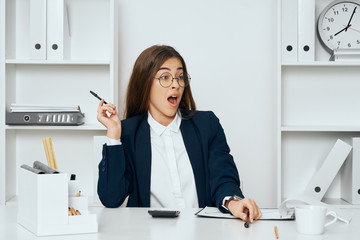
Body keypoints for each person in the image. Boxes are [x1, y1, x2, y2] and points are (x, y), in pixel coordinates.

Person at [97, 45, 262, 222]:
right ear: (145, 83)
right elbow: (111, 198)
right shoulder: (129, 132)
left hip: (203, 232)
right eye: (165, 77)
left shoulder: (207, 125)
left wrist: (233, 202)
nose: (176, 84)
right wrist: (114, 134)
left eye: (180, 77)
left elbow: (223, 177)